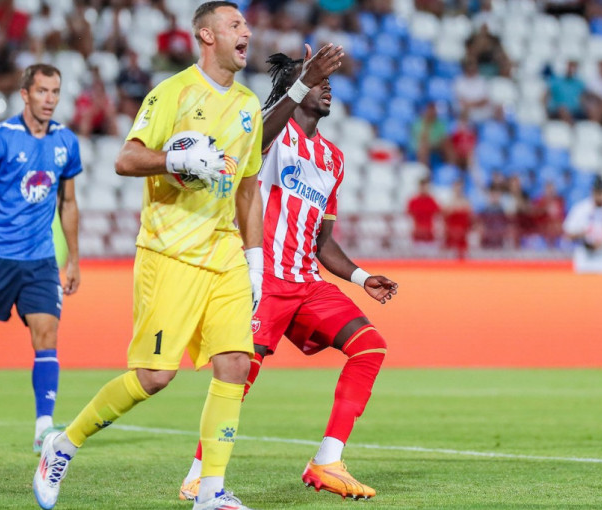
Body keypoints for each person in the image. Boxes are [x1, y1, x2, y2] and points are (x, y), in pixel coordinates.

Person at [32, 3, 265, 510]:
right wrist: (175, 158)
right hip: (169, 253)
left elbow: (248, 188)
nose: (246, 31)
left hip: (223, 251)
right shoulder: (172, 92)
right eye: (235, 24)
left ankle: (210, 491)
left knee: (235, 364)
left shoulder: (249, 104)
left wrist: (255, 260)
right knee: (155, 377)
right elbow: (126, 158)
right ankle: (63, 444)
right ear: (207, 36)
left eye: (246, 24)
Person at [178, 47, 398, 502]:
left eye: (327, 80)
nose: (326, 86)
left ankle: (327, 460)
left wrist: (361, 277)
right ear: (294, 88)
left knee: (370, 346)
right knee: (239, 374)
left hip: (306, 282)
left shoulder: (333, 159)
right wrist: (302, 80)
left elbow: (323, 243)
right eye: (317, 80)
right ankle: (199, 474)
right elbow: (255, 141)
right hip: (263, 278)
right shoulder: (271, 132)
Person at [0, 63, 81, 452]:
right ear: (25, 94)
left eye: (55, 92)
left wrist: (74, 259)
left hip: (40, 260)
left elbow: (68, 203)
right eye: (42, 91)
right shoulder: (1, 138)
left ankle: (43, 428)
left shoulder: (66, 141)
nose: (49, 99)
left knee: (47, 335)